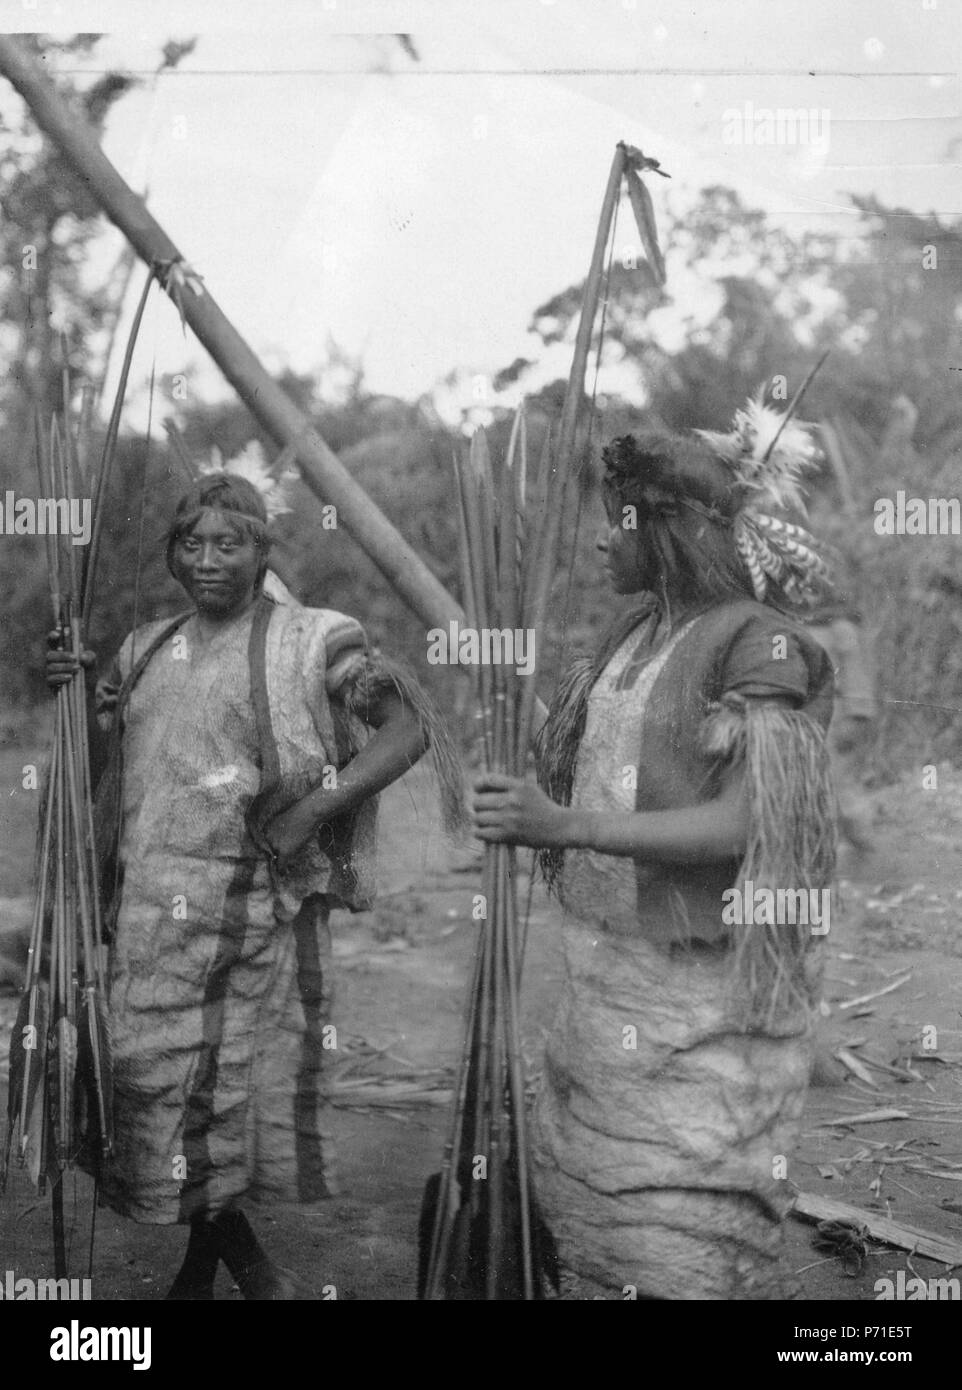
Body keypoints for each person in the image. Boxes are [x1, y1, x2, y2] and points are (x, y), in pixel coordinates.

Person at [46, 469, 461, 1300]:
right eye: (190, 544)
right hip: (151, 920)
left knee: (224, 1096)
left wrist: (312, 813)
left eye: (228, 544)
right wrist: (84, 713)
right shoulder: (147, 648)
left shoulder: (314, 638)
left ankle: (242, 1271)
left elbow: (407, 728)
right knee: (154, 1087)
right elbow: (119, 779)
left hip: (254, 911)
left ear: (262, 550)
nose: (207, 561)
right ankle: (222, 1264)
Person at [473, 417, 837, 1300]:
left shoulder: (762, 643)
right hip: (607, 983)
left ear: (668, 530)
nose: (604, 537)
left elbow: (742, 825)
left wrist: (561, 827)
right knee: (594, 1211)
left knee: (675, 1230)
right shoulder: (631, 638)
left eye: (621, 519)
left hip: (707, 1001)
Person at [807, 606, 877, 854]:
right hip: (806, 712)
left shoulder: (841, 628)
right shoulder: (793, 622)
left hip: (835, 712)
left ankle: (863, 846)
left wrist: (856, 715)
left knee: (840, 783)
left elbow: (855, 674)